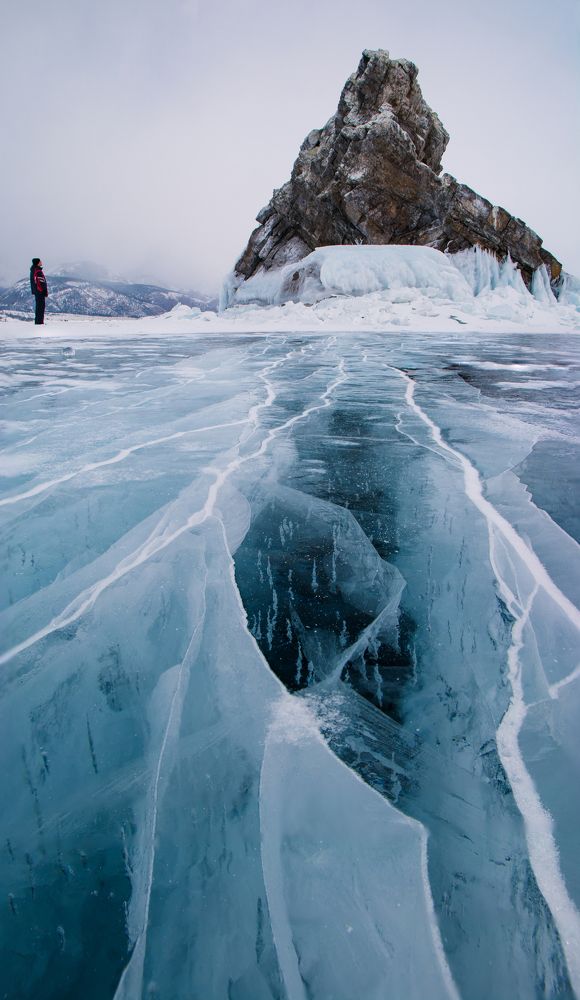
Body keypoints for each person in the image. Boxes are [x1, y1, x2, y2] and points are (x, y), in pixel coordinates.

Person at [30, 257, 48, 325]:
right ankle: (39, 322)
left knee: (38, 307)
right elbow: (41, 282)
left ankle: (38, 321)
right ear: (37, 263)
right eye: (40, 261)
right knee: (41, 307)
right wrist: (44, 291)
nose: (41, 262)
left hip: (36, 291)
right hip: (40, 292)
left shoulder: (33, 270)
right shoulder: (38, 271)